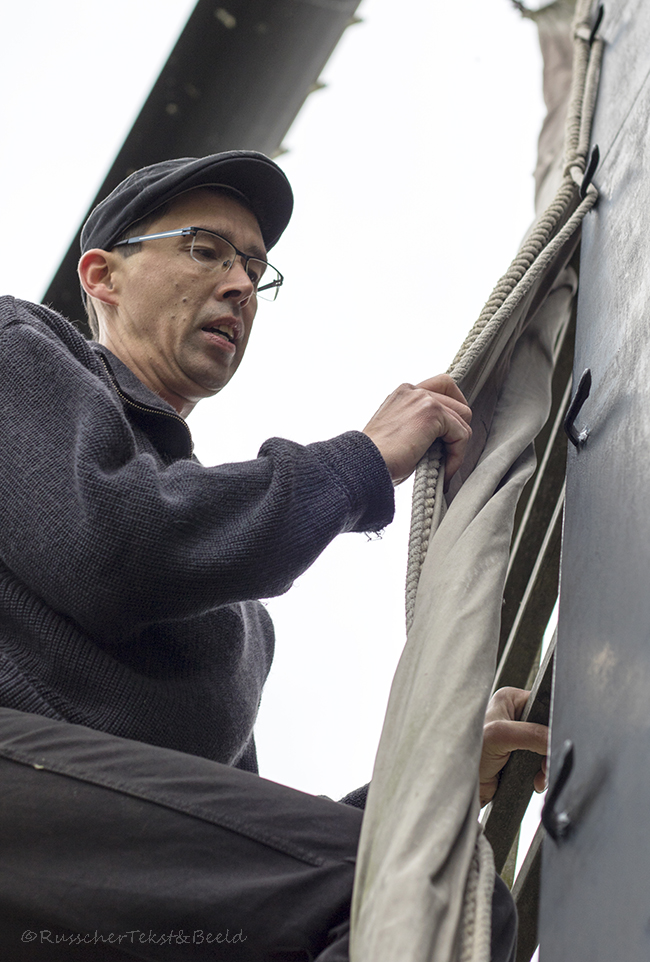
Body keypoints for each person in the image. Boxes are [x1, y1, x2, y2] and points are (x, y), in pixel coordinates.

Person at [0, 151, 546, 961]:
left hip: (92, 889)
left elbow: (252, 856)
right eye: (204, 249)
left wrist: (430, 784)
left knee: (419, 893)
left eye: (255, 267)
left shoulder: (235, 617)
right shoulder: (19, 351)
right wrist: (359, 463)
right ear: (102, 276)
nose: (240, 285)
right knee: (442, 889)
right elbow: (117, 550)